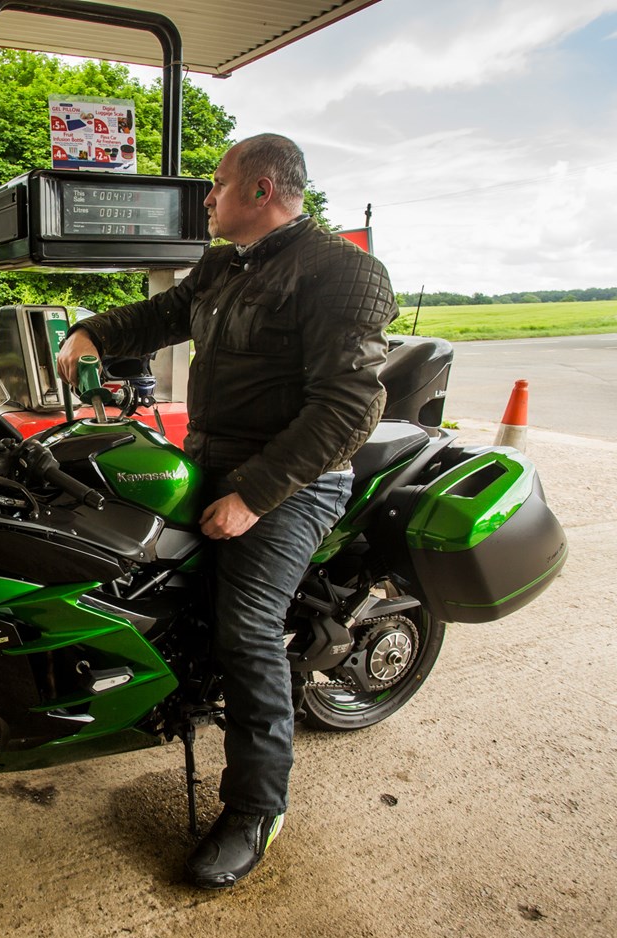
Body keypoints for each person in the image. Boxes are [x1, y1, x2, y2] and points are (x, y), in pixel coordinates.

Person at [55, 133, 397, 889]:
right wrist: (92, 331)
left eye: (217, 183)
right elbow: (163, 315)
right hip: (210, 459)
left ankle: (256, 809)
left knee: (245, 629)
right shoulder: (223, 265)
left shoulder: (344, 271)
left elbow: (349, 405)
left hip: (294, 479)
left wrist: (253, 496)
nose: (207, 197)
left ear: (261, 190)